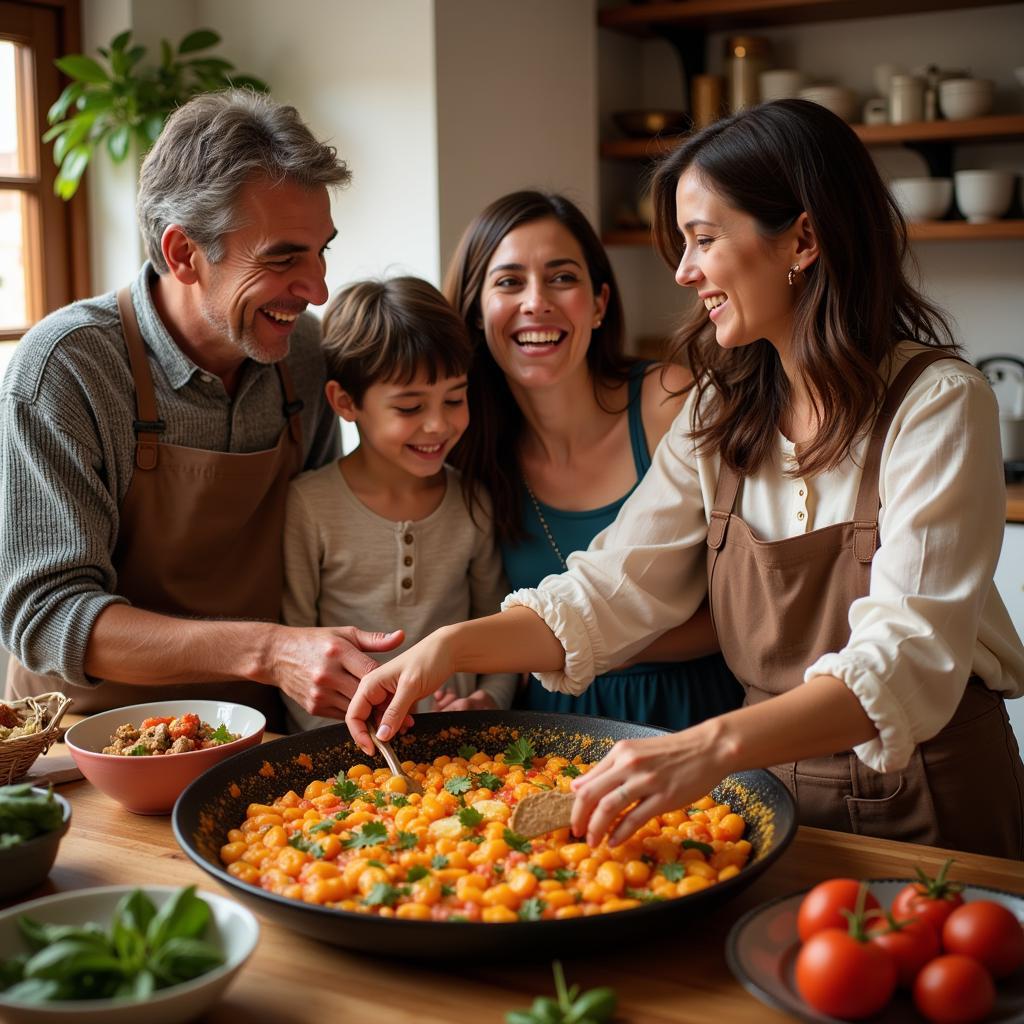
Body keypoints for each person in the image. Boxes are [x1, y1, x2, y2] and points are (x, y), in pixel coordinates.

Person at [346, 100, 1024, 859]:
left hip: (933, 795)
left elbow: (905, 660)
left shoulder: (937, 403)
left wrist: (707, 747)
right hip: (773, 795)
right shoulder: (720, 407)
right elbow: (609, 590)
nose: (683, 270)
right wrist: (447, 647)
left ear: (802, 238)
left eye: (703, 239)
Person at [0, 90, 403, 729]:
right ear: (185, 253)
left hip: (259, 732)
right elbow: (47, 618)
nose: (318, 288)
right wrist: (269, 651)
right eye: (282, 258)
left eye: (321, 249)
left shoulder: (304, 354)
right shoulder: (66, 369)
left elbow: (320, 536)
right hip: (88, 746)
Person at [442, 191, 742, 728]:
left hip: (688, 714)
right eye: (509, 282)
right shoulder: (465, 444)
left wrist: (576, 643)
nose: (537, 301)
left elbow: (742, 607)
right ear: (475, 311)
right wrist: (487, 694)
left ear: (600, 303)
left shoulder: (671, 401)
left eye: (562, 278)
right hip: (540, 729)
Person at [280, 277, 516, 731]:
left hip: (462, 747)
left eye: (454, 398)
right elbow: (297, 652)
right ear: (345, 403)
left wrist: (489, 699)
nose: (438, 425)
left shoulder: (472, 501)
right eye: (409, 408)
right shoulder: (309, 506)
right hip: (345, 752)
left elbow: (499, 626)